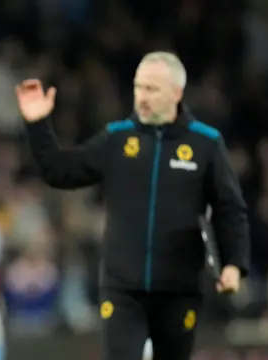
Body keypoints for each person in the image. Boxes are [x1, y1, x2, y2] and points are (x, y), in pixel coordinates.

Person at [16, 51, 249, 360]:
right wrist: (37, 124)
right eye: (139, 87)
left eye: (152, 89)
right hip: (122, 289)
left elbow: (229, 209)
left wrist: (233, 264)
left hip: (179, 289)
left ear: (176, 93)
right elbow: (60, 172)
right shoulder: (116, 138)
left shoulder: (205, 143)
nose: (142, 96)